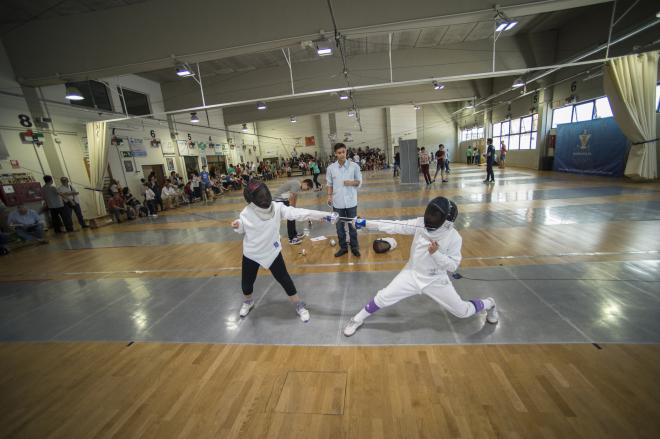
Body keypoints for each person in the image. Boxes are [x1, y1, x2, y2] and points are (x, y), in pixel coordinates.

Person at [343, 197, 498, 337]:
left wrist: (436, 254)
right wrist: (365, 224)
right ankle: (357, 319)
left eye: (435, 216)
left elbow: (453, 266)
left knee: (463, 311)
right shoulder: (420, 223)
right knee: (383, 297)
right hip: (412, 273)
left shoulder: (454, 238)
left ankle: (489, 303)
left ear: (447, 222)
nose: (430, 218)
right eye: (430, 214)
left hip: (436, 280)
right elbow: (394, 226)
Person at [231, 181, 338, 322]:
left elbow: (299, 213)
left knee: (284, 279)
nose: (264, 198)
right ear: (252, 199)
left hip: (271, 250)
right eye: (260, 196)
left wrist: (325, 215)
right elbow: (242, 229)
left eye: (264, 194)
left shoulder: (277, 207)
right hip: (252, 253)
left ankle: (298, 304)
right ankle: (248, 301)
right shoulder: (246, 212)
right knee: (246, 283)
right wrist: (238, 225)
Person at [326, 143, 363, 257]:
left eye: (343, 152)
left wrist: (350, 182)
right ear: (335, 154)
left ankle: (354, 247)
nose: (342, 154)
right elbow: (329, 184)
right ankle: (343, 247)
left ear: (346, 152)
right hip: (338, 203)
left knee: (353, 225)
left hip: (351, 202)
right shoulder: (331, 168)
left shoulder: (354, 166)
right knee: (339, 227)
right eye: (339, 153)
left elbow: (359, 182)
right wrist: (329, 196)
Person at [273, 178, 314, 245]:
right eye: (307, 188)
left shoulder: (298, 186)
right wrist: (292, 209)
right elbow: (291, 197)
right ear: (305, 183)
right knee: (291, 216)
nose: (306, 190)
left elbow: (295, 197)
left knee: (293, 214)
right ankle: (291, 239)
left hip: (283, 200)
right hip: (278, 200)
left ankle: (294, 234)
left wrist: (293, 208)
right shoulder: (297, 184)